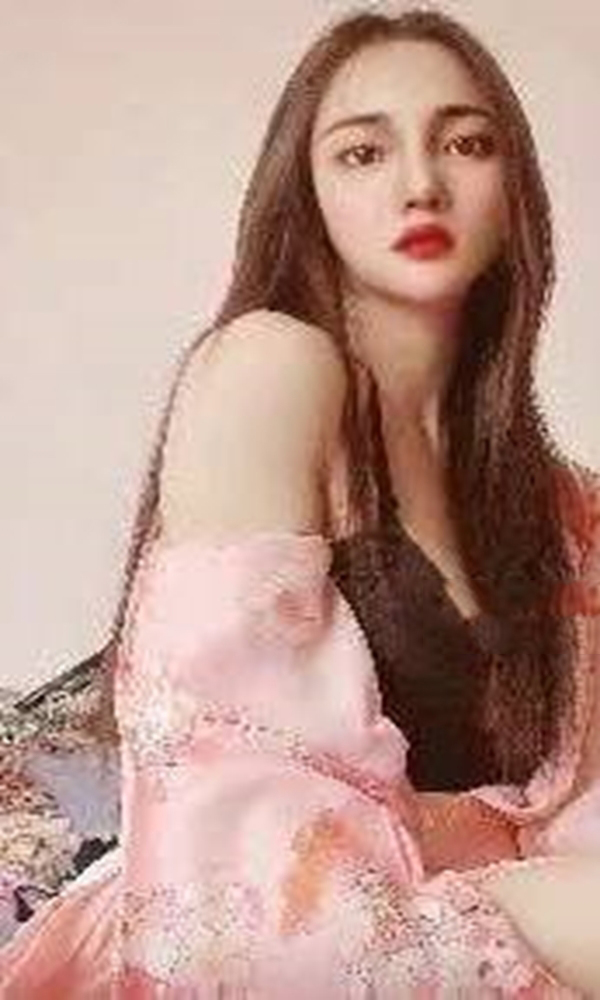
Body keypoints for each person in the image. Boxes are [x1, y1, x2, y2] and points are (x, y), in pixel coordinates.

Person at [1, 6, 600, 996]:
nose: (420, 182)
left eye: (466, 143)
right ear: (307, 193)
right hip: (286, 933)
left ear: (517, 191)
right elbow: (228, 835)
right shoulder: (273, 369)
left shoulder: (556, 502)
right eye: (364, 152)